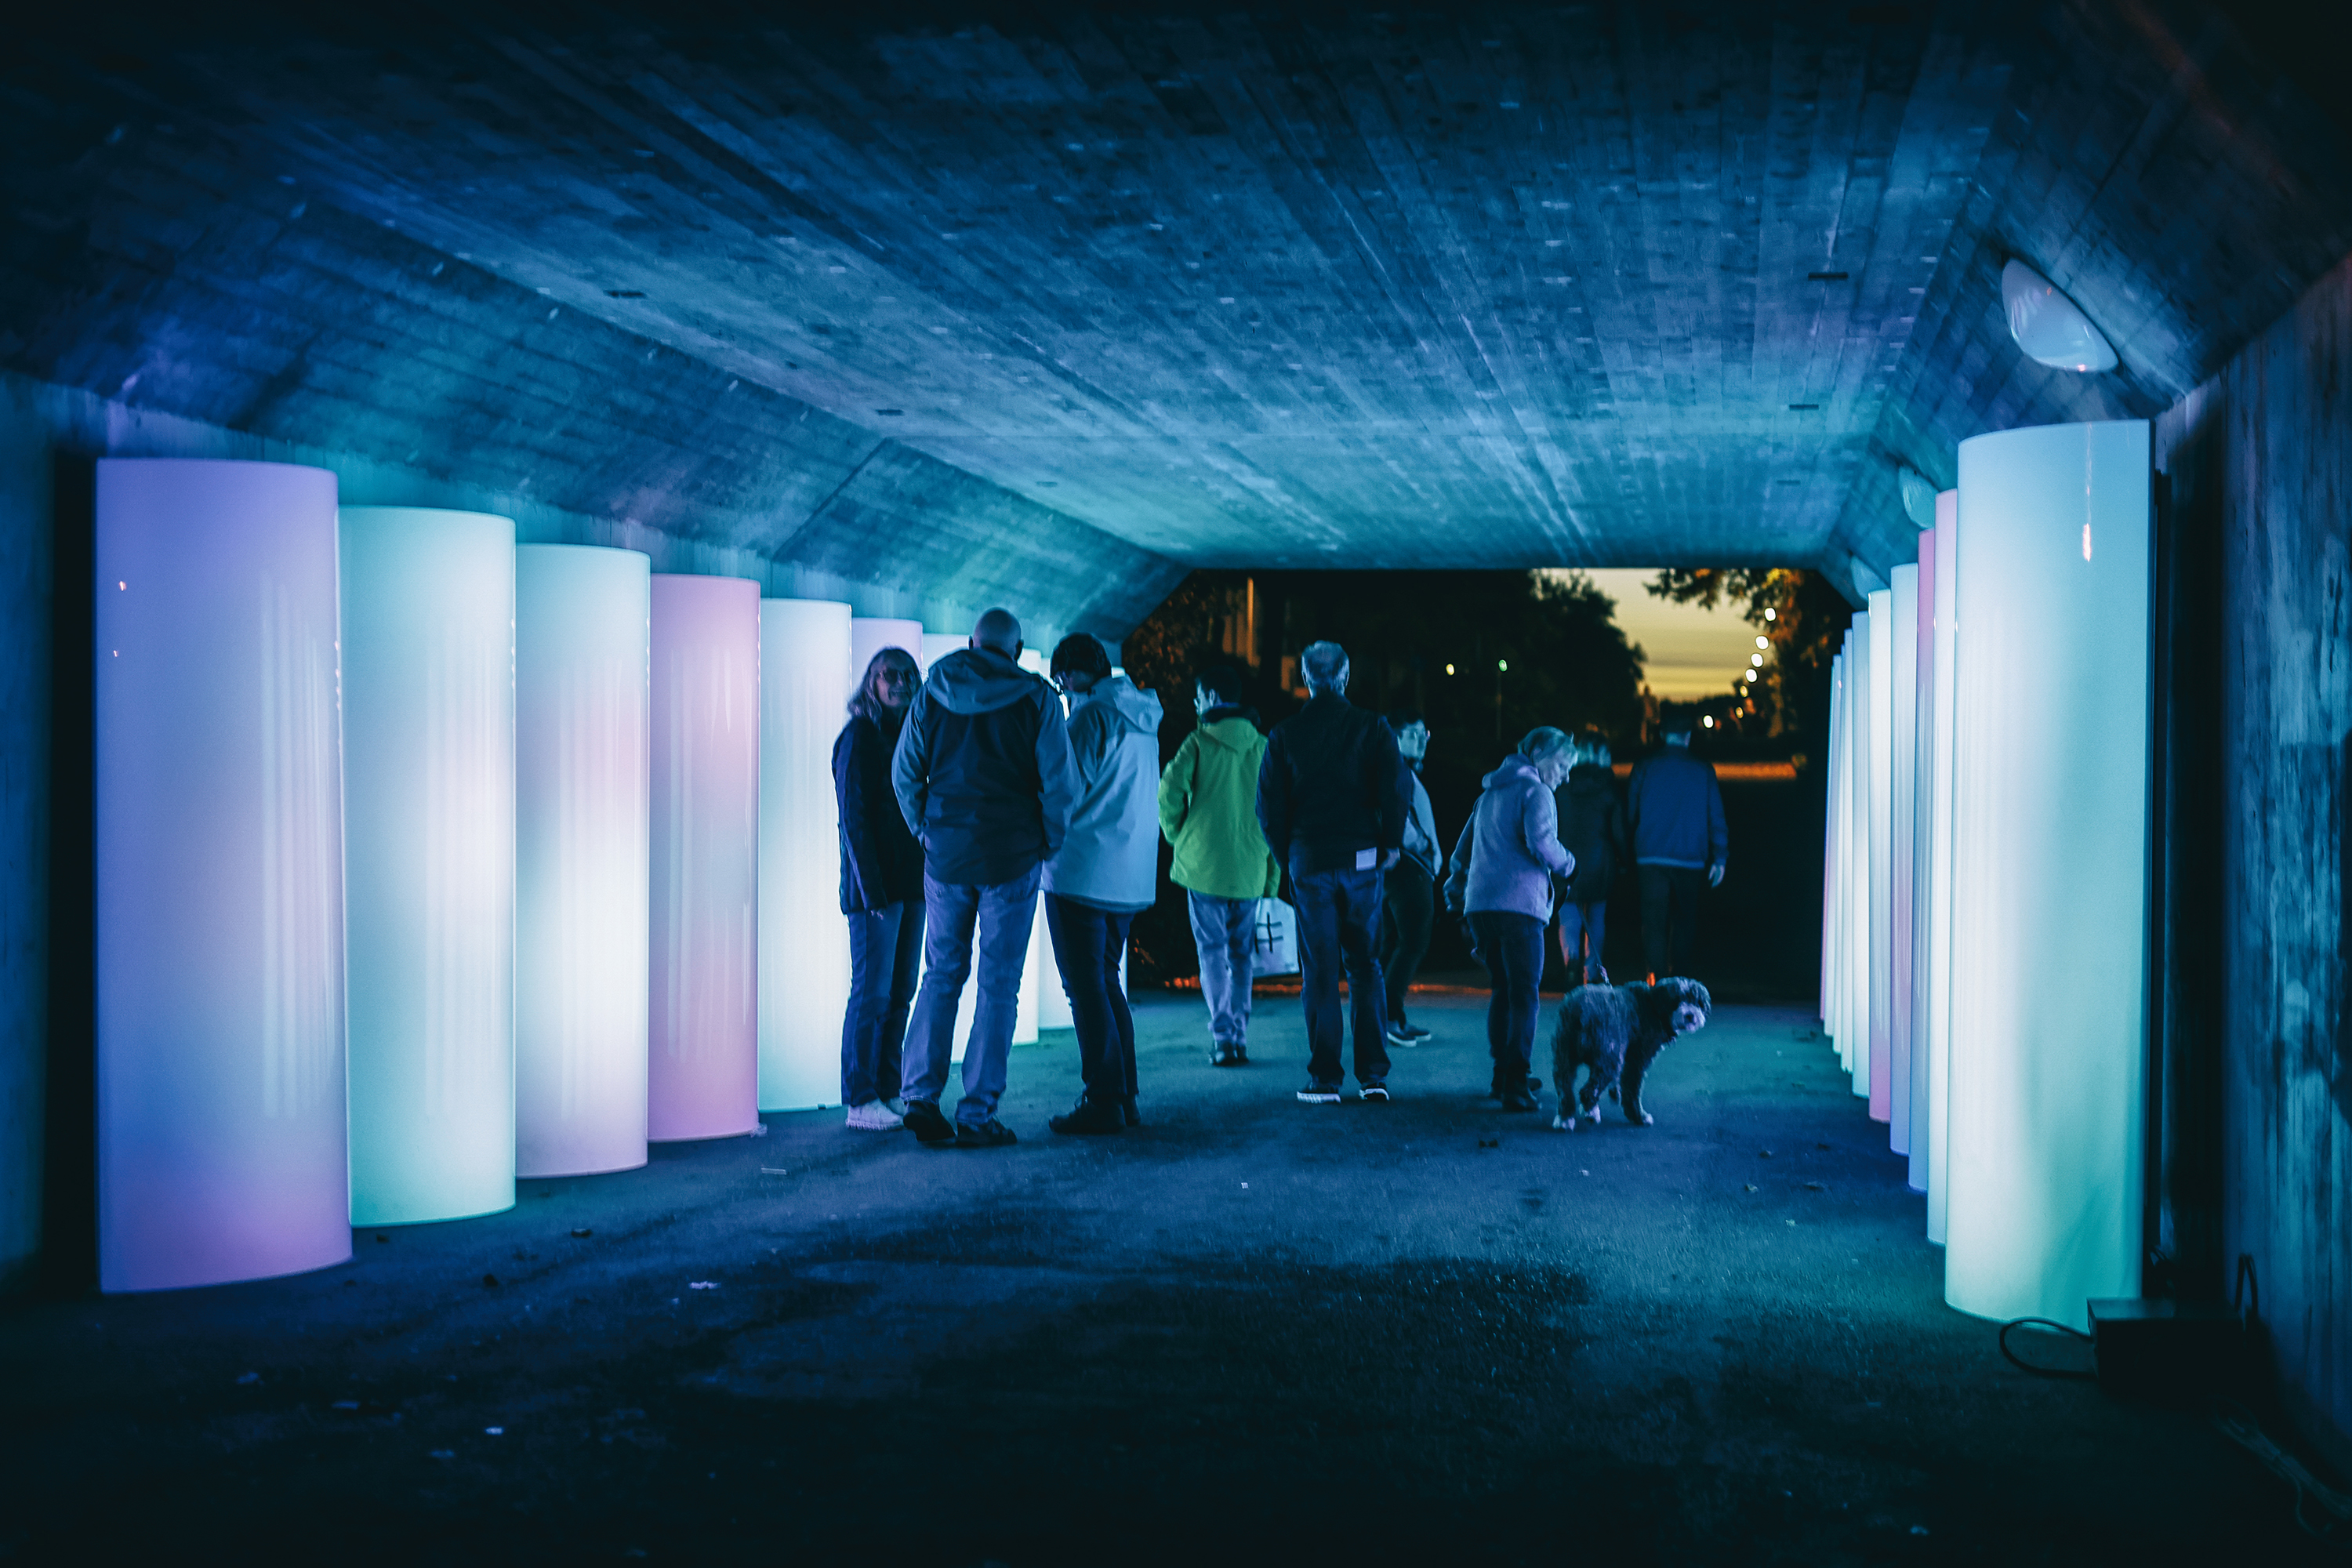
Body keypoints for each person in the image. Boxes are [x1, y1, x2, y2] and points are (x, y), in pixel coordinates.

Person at [892, 607, 1077, 1149]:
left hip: (946, 855)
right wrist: (1049, 840)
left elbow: (906, 770)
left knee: (941, 974)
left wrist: (924, 827)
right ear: (1016, 651)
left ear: (973, 642)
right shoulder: (1038, 697)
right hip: (1012, 856)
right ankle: (977, 1112)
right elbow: (1059, 784)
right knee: (999, 984)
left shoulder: (934, 688)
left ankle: (920, 1096)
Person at [1257, 641, 1409, 1105]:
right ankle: (1374, 1075)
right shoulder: (1372, 727)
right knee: (1365, 965)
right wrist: (1390, 845)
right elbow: (1396, 786)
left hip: (1310, 861)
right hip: (1363, 859)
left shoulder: (1285, 735)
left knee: (1320, 969)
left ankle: (1325, 1076)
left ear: (1305, 678)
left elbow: (1269, 808)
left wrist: (1289, 858)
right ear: (1344, 677)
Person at [1040, 634, 1164, 1135]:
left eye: (1060, 681)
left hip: (1081, 871)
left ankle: (1103, 1099)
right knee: (1106, 982)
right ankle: (1124, 1095)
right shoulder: (1143, 717)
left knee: (1084, 987)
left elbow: (1065, 788)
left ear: (1069, 675)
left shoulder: (1090, 717)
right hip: (1128, 875)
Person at [1443, 728, 1577, 1111]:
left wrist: (1459, 898)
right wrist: (1570, 866)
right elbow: (1542, 843)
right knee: (1525, 996)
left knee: (1502, 989)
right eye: (1563, 765)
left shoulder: (1488, 794)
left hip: (1481, 908)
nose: (1565, 776)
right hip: (1520, 909)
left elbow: (1461, 855)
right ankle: (1517, 1082)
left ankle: (1502, 1073)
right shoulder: (1537, 792)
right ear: (1538, 753)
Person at [1158, 663, 1279, 1068]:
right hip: (1250, 868)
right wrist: (1272, 875)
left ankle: (1223, 1037)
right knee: (1243, 955)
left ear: (1210, 697)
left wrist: (1178, 834)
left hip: (1203, 866)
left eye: (1198, 698)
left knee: (1211, 952)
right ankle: (1240, 1036)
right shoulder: (1264, 746)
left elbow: (1168, 792)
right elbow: (1277, 815)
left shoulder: (1197, 742)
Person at [833, 646, 924, 1131]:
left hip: (912, 887)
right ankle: (860, 1098)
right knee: (871, 994)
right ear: (872, 681)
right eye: (892, 674)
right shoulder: (859, 738)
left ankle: (889, 1089)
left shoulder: (911, 736)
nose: (903, 682)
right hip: (878, 894)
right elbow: (855, 822)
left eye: (911, 674)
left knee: (900, 993)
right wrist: (873, 895)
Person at [1626, 705, 1728, 981]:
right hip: (1690, 857)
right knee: (1684, 921)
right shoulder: (1703, 770)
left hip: (1651, 855)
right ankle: (1680, 977)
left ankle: (1657, 978)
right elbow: (1715, 815)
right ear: (1688, 736)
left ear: (1661, 734)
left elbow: (1631, 811)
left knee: (1653, 922)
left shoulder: (1645, 766)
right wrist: (1720, 856)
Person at [1381, 710, 1443, 1047]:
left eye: (1424, 734)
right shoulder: (1395, 770)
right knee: (1412, 942)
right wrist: (1420, 845)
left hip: (1402, 865)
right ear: (1394, 737)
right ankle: (1389, 1017)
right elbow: (1395, 814)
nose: (1421, 740)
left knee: (1393, 943)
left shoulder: (1398, 769)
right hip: (1409, 866)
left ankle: (1390, 1015)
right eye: (1413, 733)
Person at [1553, 728, 1626, 989]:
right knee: (1596, 917)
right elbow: (1617, 829)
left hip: (1564, 861)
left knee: (1569, 918)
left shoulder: (1563, 782)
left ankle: (1570, 965)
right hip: (1599, 863)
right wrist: (1624, 859)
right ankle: (1592, 972)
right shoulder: (1608, 786)